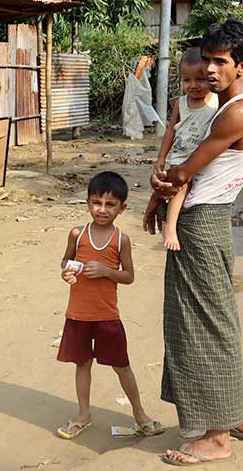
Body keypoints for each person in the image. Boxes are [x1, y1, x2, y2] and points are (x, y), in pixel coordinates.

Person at [143, 20, 243, 466]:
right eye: (207, 60)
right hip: (206, 219)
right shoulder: (223, 106)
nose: (210, 70)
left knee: (202, 326)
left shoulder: (238, 112)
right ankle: (242, 418)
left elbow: (183, 172)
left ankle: (217, 439)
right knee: (217, 320)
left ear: (242, 66)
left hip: (202, 222)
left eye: (221, 62)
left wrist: (157, 190)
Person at [56, 171, 164, 440]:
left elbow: (128, 276)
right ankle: (83, 415)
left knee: (121, 365)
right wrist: (67, 272)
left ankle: (140, 415)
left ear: (122, 208)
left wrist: (106, 271)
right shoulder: (77, 234)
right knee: (82, 364)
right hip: (78, 314)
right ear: (87, 203)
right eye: (96, 203)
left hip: (107, 315)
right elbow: (66, 262)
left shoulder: (121, 240)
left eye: (110, 205)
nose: (102, 210)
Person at [151, 48, 218, 252]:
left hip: (200, 158)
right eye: (186, 80)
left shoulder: (217, 103)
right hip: (181, 157)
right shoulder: (180, 104)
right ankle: (169, 227)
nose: (193, 86)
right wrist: (161, 156)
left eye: (200, 79)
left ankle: (169, 222)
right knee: (180, 187)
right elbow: (170, 131)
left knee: (188, 192)